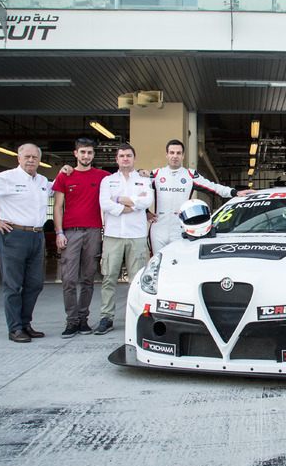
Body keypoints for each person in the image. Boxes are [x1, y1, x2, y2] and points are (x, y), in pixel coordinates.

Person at [0, 144, 53, 343]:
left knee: (34, 284)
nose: (31, 160)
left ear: (39, 160)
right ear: (19, 158)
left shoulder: (42, 181)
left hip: (36, 235)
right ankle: (15, 328)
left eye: (35, 157)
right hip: (13, 234)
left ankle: (25, 323)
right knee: (13, 284)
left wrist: (66, 172)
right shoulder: (5, 178)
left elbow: (60, 188)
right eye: (27, 156)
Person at [147, 139, 255, 255]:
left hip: (180, 227)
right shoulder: (156, 174)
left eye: (178, 153)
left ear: (183, 155)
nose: (175, 156)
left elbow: (212, 187)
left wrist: (234, 192)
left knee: (181, 261)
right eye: (172, 153)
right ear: (166, 154)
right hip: (159, 227)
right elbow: (138, 192)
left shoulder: (190, 175)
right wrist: (146, 212)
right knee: (157, 263)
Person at [52, 138, 110, 338]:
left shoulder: (103, 177)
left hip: (94, 231)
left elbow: (124, 179)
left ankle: (84, 319)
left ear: (93, 155)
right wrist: (59, 232)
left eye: (90, 153)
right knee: (68, 278)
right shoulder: (64, 176)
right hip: (71, 232)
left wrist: (144, 173)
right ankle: (71, 321)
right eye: (83, 152)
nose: (86, 156)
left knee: (87, 278)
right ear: (75, 153)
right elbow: (58, 207)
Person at [95, 144, 153, 335]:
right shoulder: (107, 181)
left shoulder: (143, 180)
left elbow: (146, 202)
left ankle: (136, 316)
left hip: (136, 236)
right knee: (109, 278)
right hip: (113, 236)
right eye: (122, 156)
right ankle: (106, 317)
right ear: (117, 160)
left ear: (134, 159)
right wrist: (132, 204)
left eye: (129, 156)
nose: (125, 159)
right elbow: (104, 203)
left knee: (136, 280)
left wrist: (118, 199)